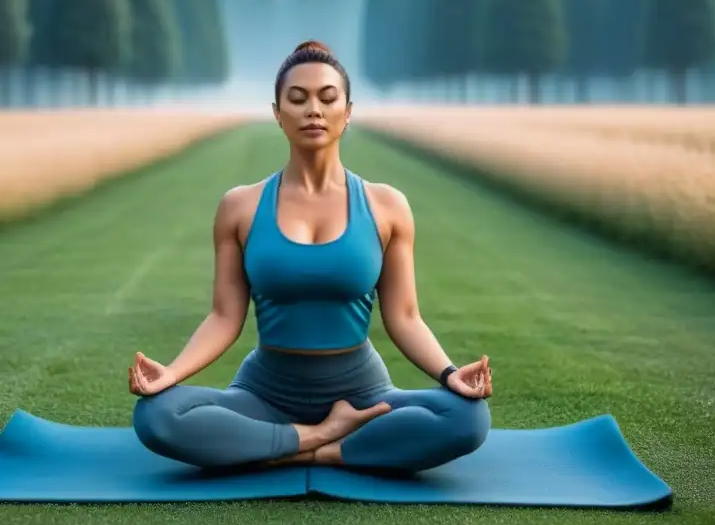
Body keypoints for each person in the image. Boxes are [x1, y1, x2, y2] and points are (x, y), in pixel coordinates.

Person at [129, 40, 492, 473]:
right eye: (297, 99)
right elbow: (224, 317)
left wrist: (451, 374)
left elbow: (406, 317)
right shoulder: (240, 207)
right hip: (265, 395)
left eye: (327, 97)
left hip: (361, 393)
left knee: (469, 418)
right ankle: (322, 439)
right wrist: (171, 374)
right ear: (278, 113)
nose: (313, 110)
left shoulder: (386, 206)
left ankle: (300, 451)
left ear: (348, 111)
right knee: (155, 416)